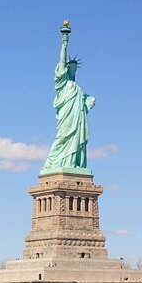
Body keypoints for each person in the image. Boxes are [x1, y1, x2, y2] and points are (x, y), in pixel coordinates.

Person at [42, 25, 96, 173]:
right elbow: (61, 61)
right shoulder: (62, 83)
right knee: (63, 138)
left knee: (77, 140)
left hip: (78, 118)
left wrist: (87, 102)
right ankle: (52, 162)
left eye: (75, 69)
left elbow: (82, 102)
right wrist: (64, 43)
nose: (72, 70)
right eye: (70, 68)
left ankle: (73, 164)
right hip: (66, 117)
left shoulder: (77, 87)